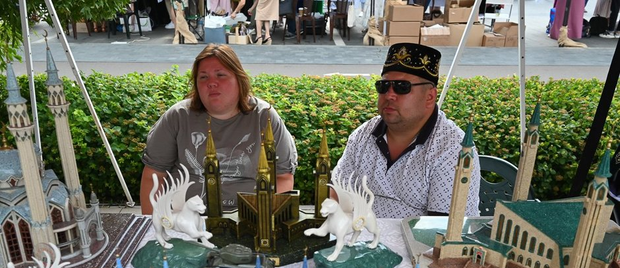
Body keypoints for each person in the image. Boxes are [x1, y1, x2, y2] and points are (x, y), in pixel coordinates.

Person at [140, 44, 298, 215]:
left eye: (220, 75)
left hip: (250, 219)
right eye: (203, 77)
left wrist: (266, 220)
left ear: (239, 79)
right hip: (185, 218)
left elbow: (283, 176)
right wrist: (154, 225)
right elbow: (154, 176)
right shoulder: (177, 117)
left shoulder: (264, 117)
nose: (211, 83)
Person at [331, 43, 480, 219]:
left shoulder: (452, 148)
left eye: (402, 87)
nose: (389, 95)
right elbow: (338, 193)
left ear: (430, 96)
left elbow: (442, 228)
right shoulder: (363, 135)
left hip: (415, 238)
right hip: (356, 233)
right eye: (383, 86)